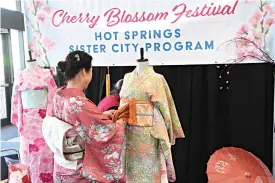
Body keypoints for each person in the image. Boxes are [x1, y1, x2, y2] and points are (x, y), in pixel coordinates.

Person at [44, 51, 125, 183]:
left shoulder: (56, 95)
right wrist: (122, 122)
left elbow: (77, 122)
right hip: (78, 171)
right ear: (84, 71)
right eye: (91, 70)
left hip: (61, 166)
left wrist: (101, 116)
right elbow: (104, 132)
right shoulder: (78, 102)